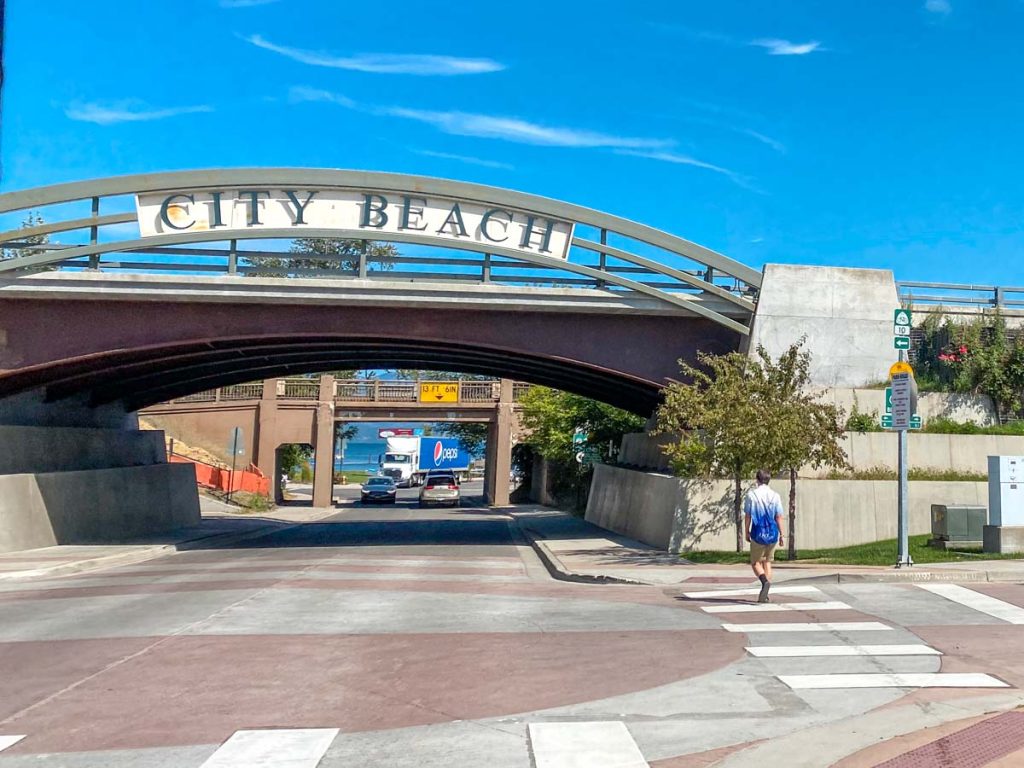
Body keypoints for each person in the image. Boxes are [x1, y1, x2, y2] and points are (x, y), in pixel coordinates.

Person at [744, 469, 785, 603]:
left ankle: (764, 582)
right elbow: (779, 516)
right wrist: (782, 534)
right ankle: (766, 593)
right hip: (772, 532)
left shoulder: (752, 495)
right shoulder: (775, 496)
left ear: (757, 479)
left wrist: (746, 531)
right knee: (767, 561)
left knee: (755, 562)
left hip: (758, 532)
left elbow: (748, 515)